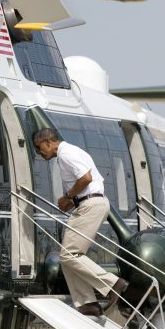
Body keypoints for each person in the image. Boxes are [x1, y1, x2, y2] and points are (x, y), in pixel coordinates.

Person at [32, 128, 128, 316]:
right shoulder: (69, 153)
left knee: (68, 254)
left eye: (39, 147)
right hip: (90, 202)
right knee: (68, 256)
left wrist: (68, 195)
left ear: (48, 142)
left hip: (90, 205)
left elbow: (86, 178)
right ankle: (87, 303)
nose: (39, 152)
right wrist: (74, 201)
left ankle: (112, 283)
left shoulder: (66, 154)